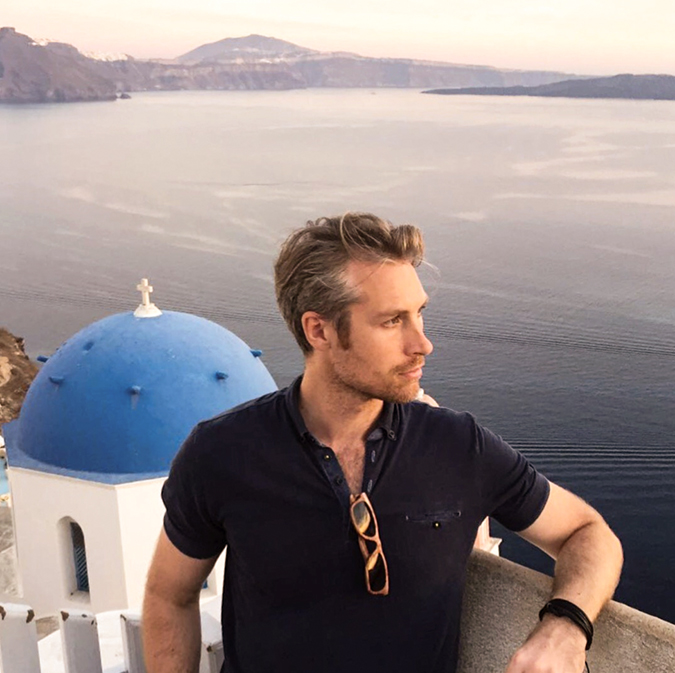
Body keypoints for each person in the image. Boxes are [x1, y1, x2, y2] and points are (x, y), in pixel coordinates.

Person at [142, 213, 623, 673]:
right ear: (320, 329)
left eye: (419, 315)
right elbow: (170, 595)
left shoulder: (458, 447)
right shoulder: (223, 453)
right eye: (393, 321)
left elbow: (588, 533)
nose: (423, 344)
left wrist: (566, 625)